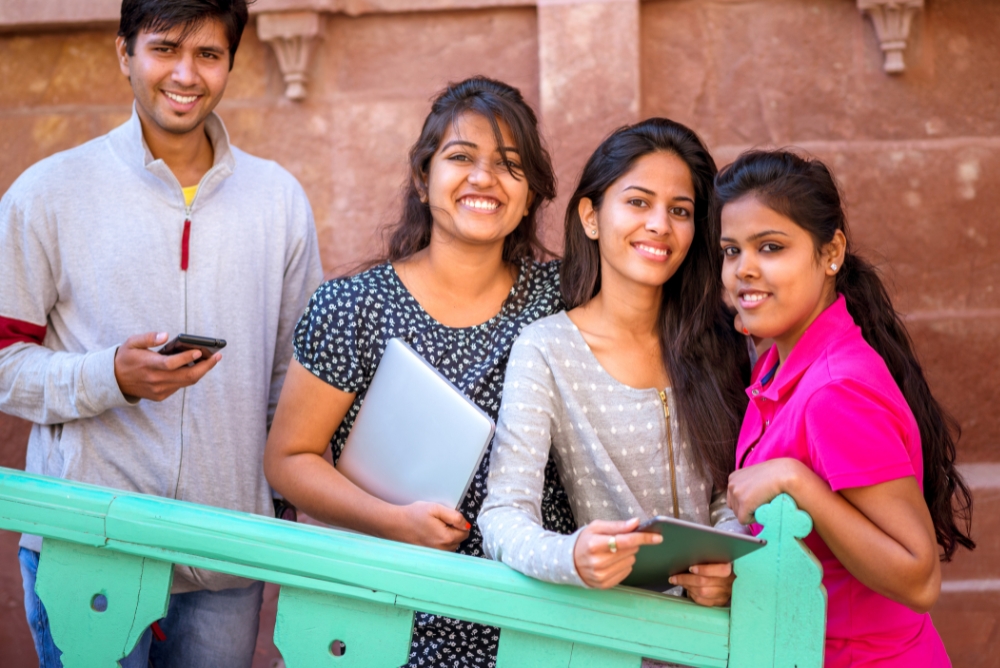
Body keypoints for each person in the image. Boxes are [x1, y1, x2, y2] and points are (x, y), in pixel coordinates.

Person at [0, 1, 324, 666]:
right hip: (89, 546)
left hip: (227, 557)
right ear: (125, 53)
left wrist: (286, 514)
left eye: (208, 54)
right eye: (165, 48)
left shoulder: (279, 199)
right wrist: (108, 377)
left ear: (231, 62)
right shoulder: (50, 192)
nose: (186, 73)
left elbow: (295, 383)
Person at [263, 76, 577, 668]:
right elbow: (288, 460)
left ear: (532, 192)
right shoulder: (350, 307)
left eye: (510, 165)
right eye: (461, 157)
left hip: (535, 625)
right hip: (387, 618)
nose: (483, 178)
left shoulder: (565, 300)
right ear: (422, 176)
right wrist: (393, 521)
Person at [478, 119, 750, 619]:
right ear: (591, 216)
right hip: (617, 634)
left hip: (724, 638)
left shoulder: (718, 340)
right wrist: (571, 557)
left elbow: (726, 493)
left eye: (680, 210)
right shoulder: (547, 351)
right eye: (638, 202)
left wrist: (729, 566)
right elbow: (502, 515)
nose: (659, 225)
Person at [718, 150, 975, 667]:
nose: (743, 270)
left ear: (830, 252)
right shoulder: (778, 365)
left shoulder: (834, 392)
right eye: (730, 251)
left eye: (770, 247)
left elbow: (918, 578)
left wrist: (796, 481)